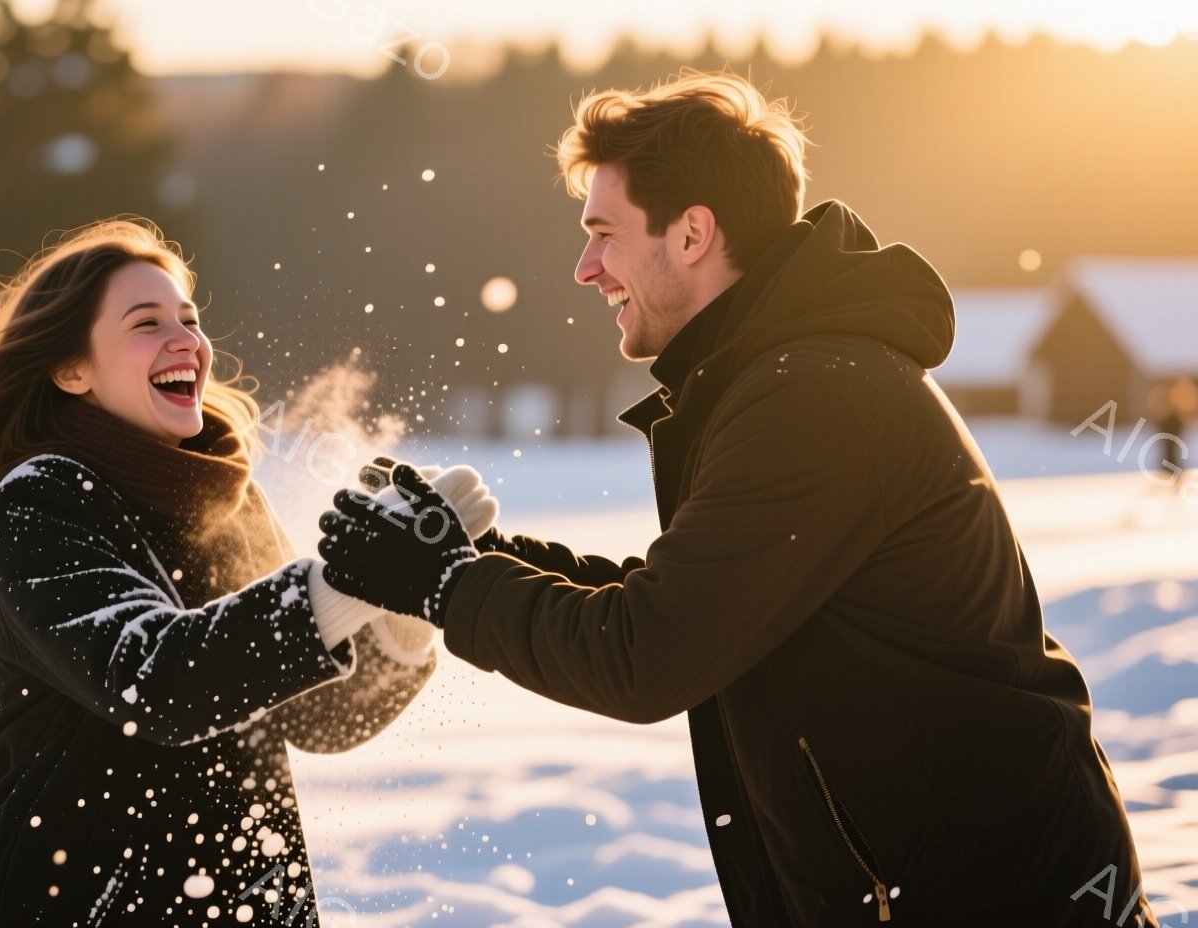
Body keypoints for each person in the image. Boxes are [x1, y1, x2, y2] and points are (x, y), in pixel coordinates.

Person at [317, 71, 1157, 926]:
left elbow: (648, 652)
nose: (585, 268)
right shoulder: (780, 375)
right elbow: (694, 598)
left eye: (604, 234)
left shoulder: (813, 399)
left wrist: (446, 585)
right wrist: (472, 557)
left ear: (692, 234)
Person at [0, 218, 497, 926]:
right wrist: (355, 579)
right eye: (146, 323)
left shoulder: (230, 502)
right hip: (69, 900)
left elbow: (315, 718)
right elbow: (155, 681)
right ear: (72, 369)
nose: (187, 341)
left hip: (239, 902)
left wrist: (400, 608)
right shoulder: (42, 500)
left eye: (190, 320)